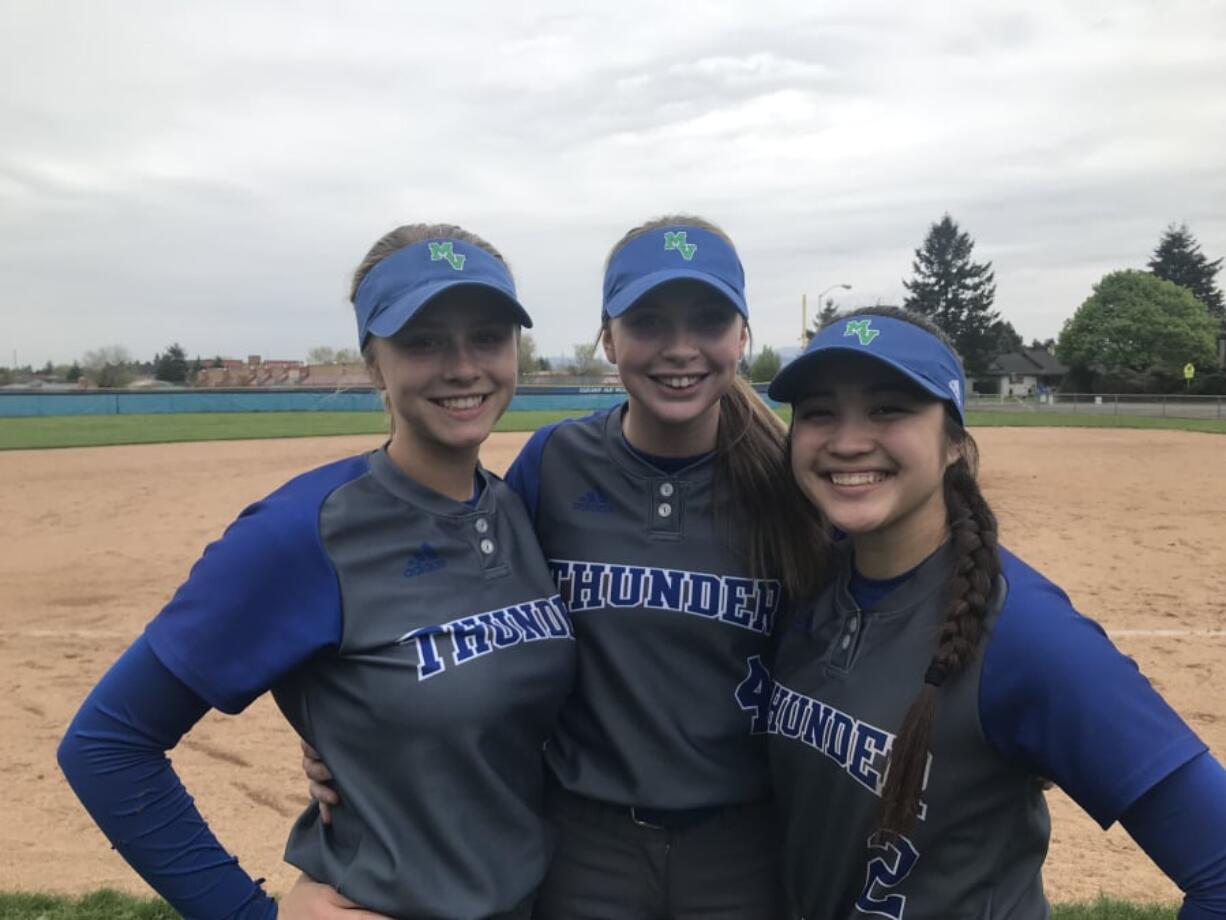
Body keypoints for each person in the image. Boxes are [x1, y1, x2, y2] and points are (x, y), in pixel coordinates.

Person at [306, 216, 824, 919]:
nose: (680, 348)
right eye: (647, 321)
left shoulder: (789, 483)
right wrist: (362, 745)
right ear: (608, 338)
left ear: (742, 336)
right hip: (584, 844)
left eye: (708, 319)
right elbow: (451, 623)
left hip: (744, 850)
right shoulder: (553, 465)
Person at [57, 224, 578, 920]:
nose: (463, 366)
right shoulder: (303, 530)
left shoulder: (517, 510)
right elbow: (107, 745)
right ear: (373, 362)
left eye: (487, 336)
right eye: (423, 340)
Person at [757, 306, 1226, 918]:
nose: (847, 441)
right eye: (819, 413)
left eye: (888, 408)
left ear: (954, 442)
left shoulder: (1028, 634)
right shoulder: (810, 586)